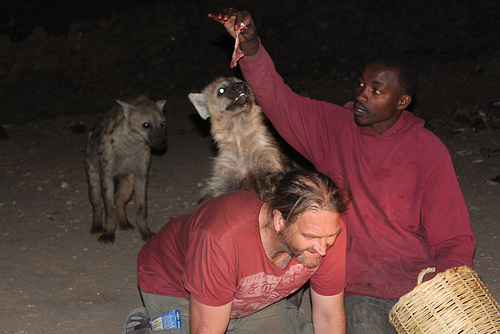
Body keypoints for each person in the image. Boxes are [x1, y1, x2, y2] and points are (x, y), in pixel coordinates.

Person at [209, 9, 476, 334]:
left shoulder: (427, 151)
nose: (362, 94)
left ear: (403, 101)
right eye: (362, 84)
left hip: (419, 288)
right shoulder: (334, 129)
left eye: (377, 90)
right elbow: (279, 100)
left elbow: (454, 238)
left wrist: (445, 290)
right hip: (360, 288)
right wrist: (251, 48)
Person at [127, 169, 350, 334]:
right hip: (177, 288)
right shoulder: (222, 237)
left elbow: (328, 316)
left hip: (250, 298)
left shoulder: (326, 228)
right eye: (309, 237)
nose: (322, 249)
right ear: (279, 220)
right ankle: (148, 326)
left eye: (329, 237)